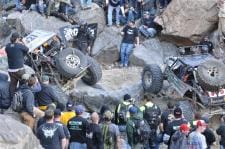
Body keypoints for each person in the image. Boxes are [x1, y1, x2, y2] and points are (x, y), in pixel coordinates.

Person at [5, 32, 29, 98]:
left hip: (10, 70)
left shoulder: (7, 46)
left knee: (13, 85)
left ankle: (12, 99)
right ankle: (21, 99)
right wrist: (23, 42)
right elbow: (27, 49)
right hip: (19, 70)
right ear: (17, 39)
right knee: (23, 84)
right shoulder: (19, 46)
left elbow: (14, 50)